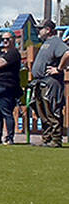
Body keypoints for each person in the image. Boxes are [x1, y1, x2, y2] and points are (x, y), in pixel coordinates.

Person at [29, 18, 69, 147]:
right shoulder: (46, 43)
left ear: (48, 30)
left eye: (41, 28)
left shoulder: (56, 42)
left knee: (52, 110)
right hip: (40, 82)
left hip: (50, 82)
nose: (38, 31)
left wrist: (58, 69)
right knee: (42, 112)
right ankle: (46, 138)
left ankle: (56, 139)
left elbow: (67, 53)